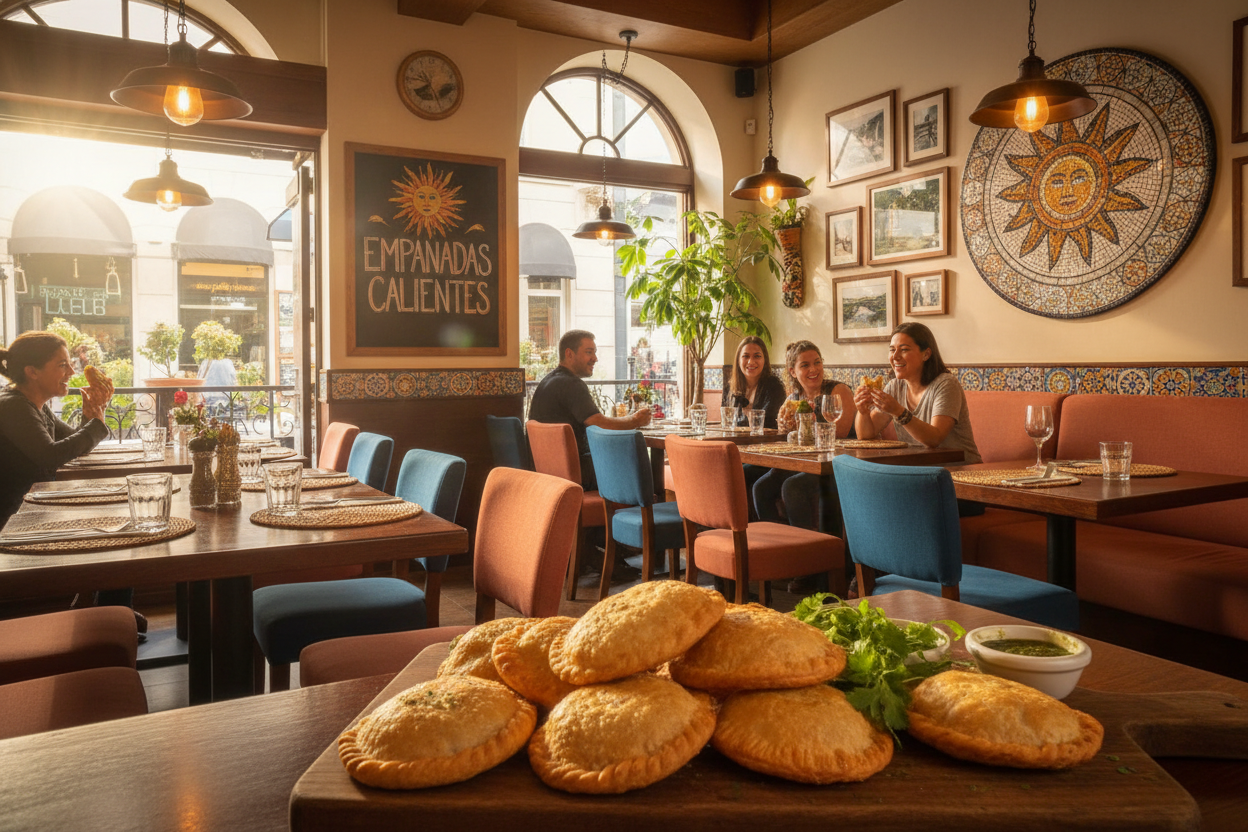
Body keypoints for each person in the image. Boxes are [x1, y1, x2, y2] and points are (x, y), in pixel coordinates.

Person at [0, 331, 114, 528]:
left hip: (32, 513)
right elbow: (50, 456)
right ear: (32, 372)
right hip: (11, 523)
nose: (71, 372)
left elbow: (72, 443)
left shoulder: (34, 404)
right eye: (63, 365)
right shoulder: (13, 406)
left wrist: (93, 413)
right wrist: (96, 424)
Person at [527, 329, 651, 490]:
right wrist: (635, 420)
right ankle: (646, 512)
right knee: (637, 463)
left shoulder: (549, 380)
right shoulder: (571, 384)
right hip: (574, 474)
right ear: (569, 354)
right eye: (588, 352)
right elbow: (598, 423)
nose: (595, 358)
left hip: (548, 473)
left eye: (595, 352)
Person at [753, 340, 855, 532]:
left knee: (792, 487)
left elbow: (840, 432)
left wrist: (807, 424)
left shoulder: (837, 391)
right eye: (805, 365)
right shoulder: (793, 398)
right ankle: (779, 546)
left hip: (837, 465)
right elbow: (789, 440)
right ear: (793, 371)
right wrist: (784, 429)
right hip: (806, 463)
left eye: (817, 362)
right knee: (761, 488)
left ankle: (807, 551)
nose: (813, 369)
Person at [853, 321, 982, 466]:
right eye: (892, 349)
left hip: (961, 470)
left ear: (926, 354)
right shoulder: (895, 386)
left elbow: (935, 438)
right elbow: (865, 436)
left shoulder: (946, 384)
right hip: (920, 469)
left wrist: (899, 412)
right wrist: (862, 411)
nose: (895, 356)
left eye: (904, 350)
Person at [720, 336, 786, 429]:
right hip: (735, 441)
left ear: (765, 360)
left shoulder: (774, 387)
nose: (751, 361)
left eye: (757, 356)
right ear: (738, 360)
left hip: (766, 442)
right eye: (746, 356)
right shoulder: (729, 387)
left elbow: (768, 425)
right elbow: (726, 424)